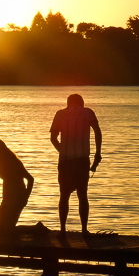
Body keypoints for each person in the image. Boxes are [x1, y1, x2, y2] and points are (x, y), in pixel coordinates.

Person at [50, 94, 102, 235]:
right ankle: (84, 230)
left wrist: (63, 150)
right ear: (81, 102)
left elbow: (53, 138)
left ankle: (62, 230)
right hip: (82, 160)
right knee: (82, 195)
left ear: (68, 103)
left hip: (65, 161)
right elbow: (97, 132)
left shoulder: (60, 114)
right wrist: (98, 153)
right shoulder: (87, 112)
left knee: (64, 195)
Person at [0, 139, 34, 238]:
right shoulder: (0, 160)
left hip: (17, 199)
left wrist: (26, 196)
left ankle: (37, 229)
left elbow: (30, 178)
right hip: (7, 200)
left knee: (8, 230)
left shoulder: (12, 162)